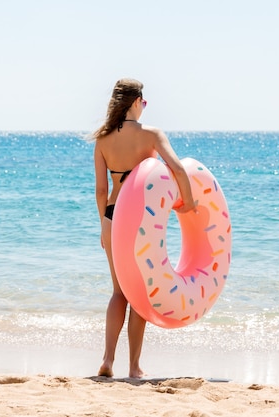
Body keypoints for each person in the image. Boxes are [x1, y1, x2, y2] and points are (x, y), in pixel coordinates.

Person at [92, 78, 195, 378]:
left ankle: (108, 360)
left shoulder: (103, 139)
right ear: (136, 101)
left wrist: (102, 224)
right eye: (144, 101)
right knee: (139, 294)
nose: (144, 107)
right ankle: (134, 367)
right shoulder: (151, 134)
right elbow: (177, 168)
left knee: (117, 292)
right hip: (139, 221)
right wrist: (188, 203)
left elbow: (100, 190)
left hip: (112, 216)